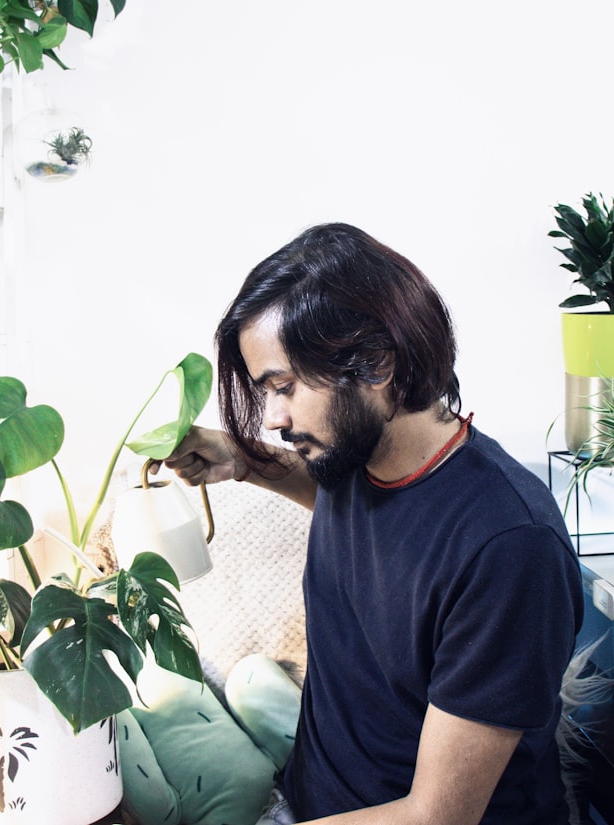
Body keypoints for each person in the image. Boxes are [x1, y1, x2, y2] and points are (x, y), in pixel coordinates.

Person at [161, 223, 584, 824]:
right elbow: (354, 510)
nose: (274, 418)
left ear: (376, 363)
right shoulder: (357, 457)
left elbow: (435, 816)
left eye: (284, 387)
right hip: (310, 796)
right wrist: (244, 461)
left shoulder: (509, 547)